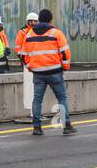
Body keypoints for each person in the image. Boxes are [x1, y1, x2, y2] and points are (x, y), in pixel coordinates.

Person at [25, 8, 75, 136]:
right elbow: (65, 52)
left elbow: (25, 55)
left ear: (39, 19)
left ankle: (37, 127)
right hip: (54, 71)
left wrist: (30, 67)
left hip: (38, 73)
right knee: (62, 98)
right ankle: (66, 125)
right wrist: (65, 67)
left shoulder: (29, 34)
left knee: (37, 100)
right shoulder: (56, 33)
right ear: (50, 20)